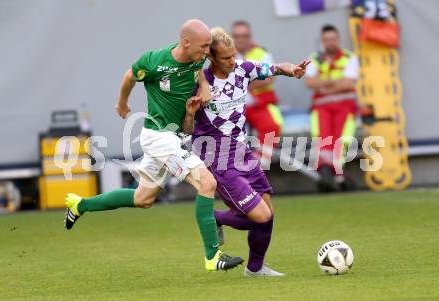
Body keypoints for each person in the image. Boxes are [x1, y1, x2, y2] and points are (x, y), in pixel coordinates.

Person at [63, 19, 244, 272]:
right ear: (185, 42)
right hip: (160, 136)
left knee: (143, 198)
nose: (207, 53)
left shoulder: (197, 57)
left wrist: (203, 87)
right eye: (203, 47)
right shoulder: (154, 61)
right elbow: (129, 76)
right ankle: (213, 257)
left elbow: (199, 72)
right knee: (207, 183)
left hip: (172, 137)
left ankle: (79, 205)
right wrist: (122, 103)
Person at [183, 27, 309, 276]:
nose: (233, 61)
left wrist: (291, 70)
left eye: (233, 55)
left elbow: (274, 68)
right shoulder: (200, 83)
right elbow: (187, 129)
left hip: (242, 152)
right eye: (226, 58)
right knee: (259, 216)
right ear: (212, 57)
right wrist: (189, 113)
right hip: (216, 157)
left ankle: (255, 269)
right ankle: (215, 217)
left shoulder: (242, 69)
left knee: (268, 213)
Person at [305, 24, 359, 191]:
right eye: (327, 39)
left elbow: (348, 83)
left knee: (341, 141)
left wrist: (323, 84)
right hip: (321, 107)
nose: (330, 42)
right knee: (323, 139)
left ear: (339, 39)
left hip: (345, 106)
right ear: (322, 41)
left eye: (333, 39)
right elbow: (310, 83)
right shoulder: (314, 58)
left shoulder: (349, 57)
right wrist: (334, 82)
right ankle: (334, 176)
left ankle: (331, 176)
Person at [231, 21, 284, 165]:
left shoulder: (262, 54)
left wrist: (240, 82)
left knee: (273, 126)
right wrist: (252, 80)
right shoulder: (225, 55)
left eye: (244, 35)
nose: (240, 39)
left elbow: (269, 78)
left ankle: (258, 163)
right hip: (232, 107)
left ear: (250, 37)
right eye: (236, 36)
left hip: (259, 104)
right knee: (226, 134)